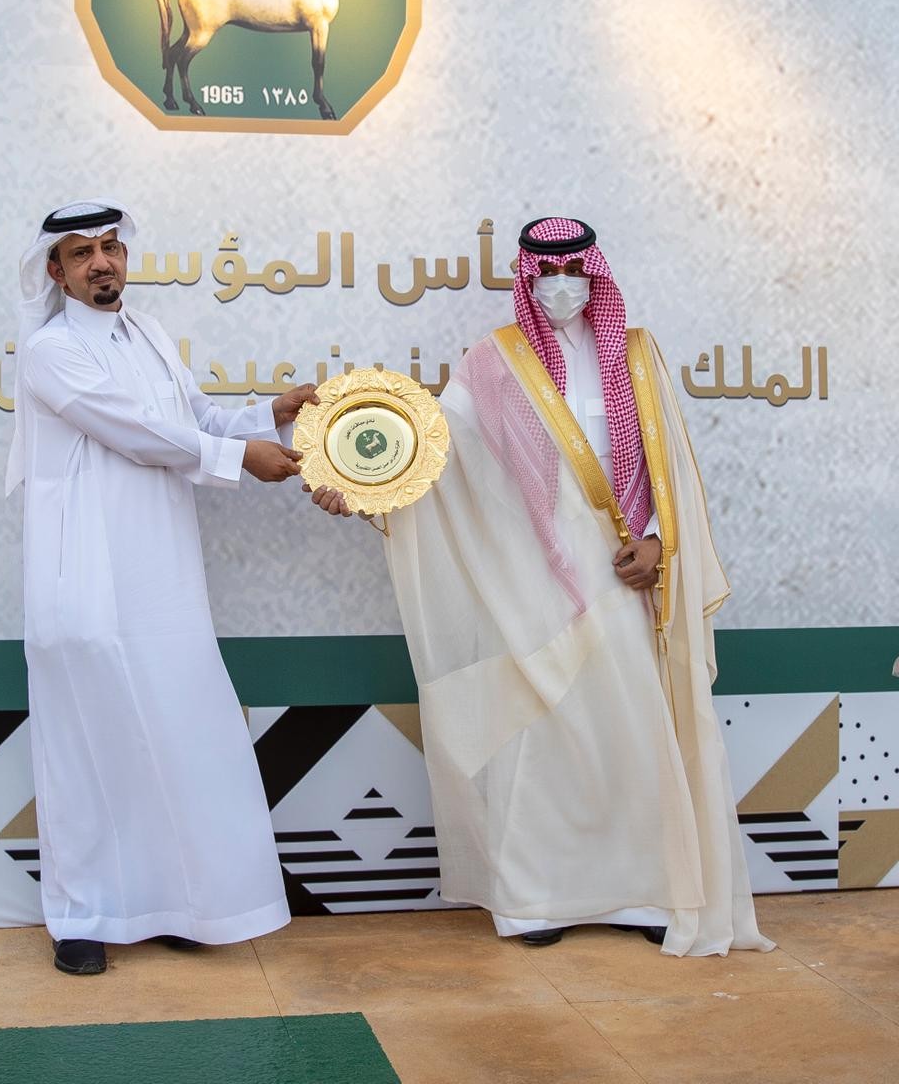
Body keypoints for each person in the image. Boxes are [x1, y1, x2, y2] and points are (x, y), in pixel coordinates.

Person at [309, 216, 772, 957]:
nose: (561, 285)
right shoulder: (493, 361)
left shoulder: (638, 354)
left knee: (629, 727)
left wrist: (660, 540)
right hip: (528, 571)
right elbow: (438, 455)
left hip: (622, 567)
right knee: (541, 726)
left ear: (595, 274)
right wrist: (363, 481)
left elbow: (672, 468)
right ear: (527, 277)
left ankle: (643, 891)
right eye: (546, 272)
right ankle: (533, 900)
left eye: (573, 270)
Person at [7, 200, 316, 975]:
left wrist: (266, 416)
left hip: (163, 577)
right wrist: (240, 459)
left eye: (110, 247)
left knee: (175, 739)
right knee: (89, 749)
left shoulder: (147, 333)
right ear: (57, 272)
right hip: (87, 577)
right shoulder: (49, 351)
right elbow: (136, 432)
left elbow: (191, 415)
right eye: (82, 253)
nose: (101, 262)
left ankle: (175, 905)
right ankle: (82, 918)